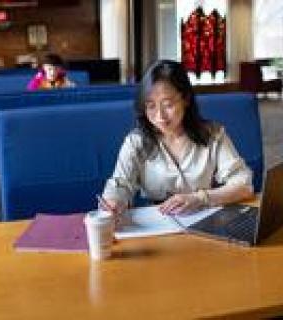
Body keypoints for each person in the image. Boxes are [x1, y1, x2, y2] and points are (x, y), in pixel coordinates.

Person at [101, 60, 254, 217]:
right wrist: (114, 201)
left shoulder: (212, 134)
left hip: (204, 218)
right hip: (157, 221)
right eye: (151, 106)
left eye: (168, 105)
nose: (160, 116)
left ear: (186, 99)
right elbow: (120, 184)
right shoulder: (136, 142)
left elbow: (243, 184)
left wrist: (201, 198)